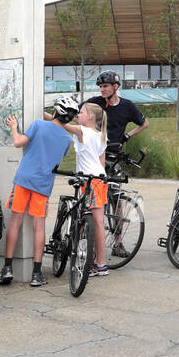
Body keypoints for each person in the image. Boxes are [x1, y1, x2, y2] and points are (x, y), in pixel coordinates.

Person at [0, 99, 75, 288]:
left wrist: (14, 127)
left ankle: (7, 268)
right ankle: (37, 273)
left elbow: (18, 143)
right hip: (43, 185)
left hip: (23, 180)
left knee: (15, 221)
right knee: (38, 226)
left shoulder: (39, 125)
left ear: (55, 112)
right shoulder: (67, 139)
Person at [61, 101, 110, 277]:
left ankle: (101, 263)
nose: (78, 115)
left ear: (90, 116)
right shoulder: (100, 134)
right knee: (97, 222)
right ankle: (99, 261)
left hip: (90, 181)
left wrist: (45, 114)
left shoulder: (84, 131)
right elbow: (101, 162)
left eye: (81, 112)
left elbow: (62, 124)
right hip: (99, 179)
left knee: (96, 222)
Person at [81, 71, 148, 146]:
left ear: (115, 86)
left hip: (114, 151)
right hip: (95, 149)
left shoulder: (127, 106)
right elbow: (76, 115)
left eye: (105, 86)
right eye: (100, 86)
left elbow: (145, 124)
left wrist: (127, 136)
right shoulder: (94, 102)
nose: (102, 90)